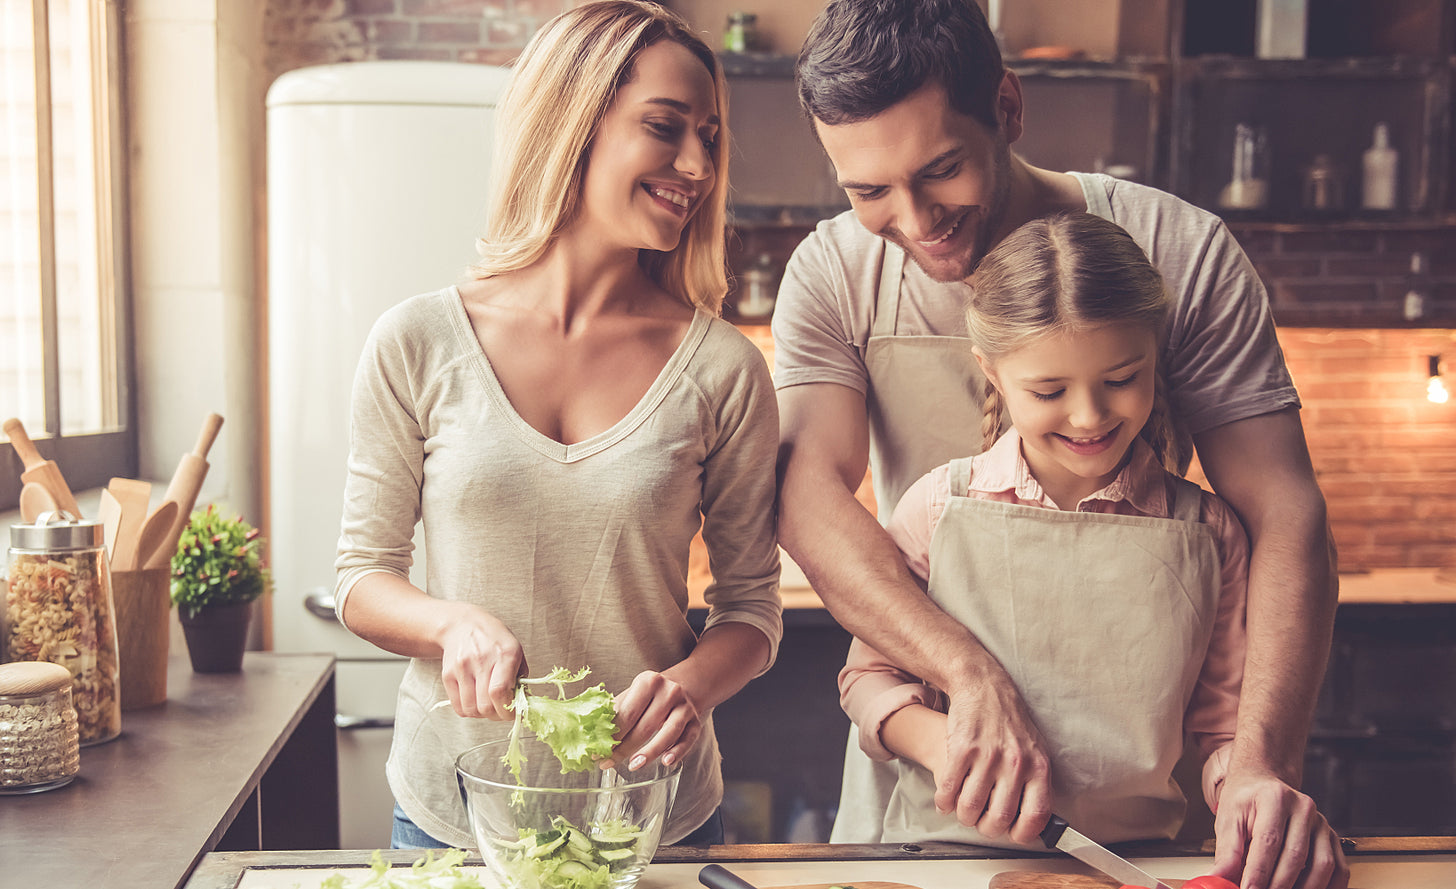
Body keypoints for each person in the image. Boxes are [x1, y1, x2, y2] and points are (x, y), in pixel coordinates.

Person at [774, 2, 1343, 887]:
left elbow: (1283, 510)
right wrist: (965, 675)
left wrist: (1260, 761)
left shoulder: (1180, 253)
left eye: (941, 170)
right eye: (869, 191)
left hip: (1140, 828)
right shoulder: (832, 272)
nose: (915, 219)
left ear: (1006, 108)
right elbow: (806, 496)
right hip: (930, 808)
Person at [333, 0, 782, 851]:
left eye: (710, 136)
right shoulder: (418, 340)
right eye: (665, 127)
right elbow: (362, 576)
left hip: (650, 816)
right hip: (456, 816)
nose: (696, 163)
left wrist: (692, 684)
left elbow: (752, 611)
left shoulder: (723, 368)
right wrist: (449, 623)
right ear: (574, 124)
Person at [841, 210, 1251, 852]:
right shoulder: (937, 508)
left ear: (1154, 358)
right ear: (994, 374)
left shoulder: (1209, 532)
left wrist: (1247, 788)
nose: (1088, 416)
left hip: (1136, 862)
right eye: (1049, 390)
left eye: (1121, 380)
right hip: (951, 861)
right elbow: (868, 679)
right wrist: (939, 743)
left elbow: (1225, 729)